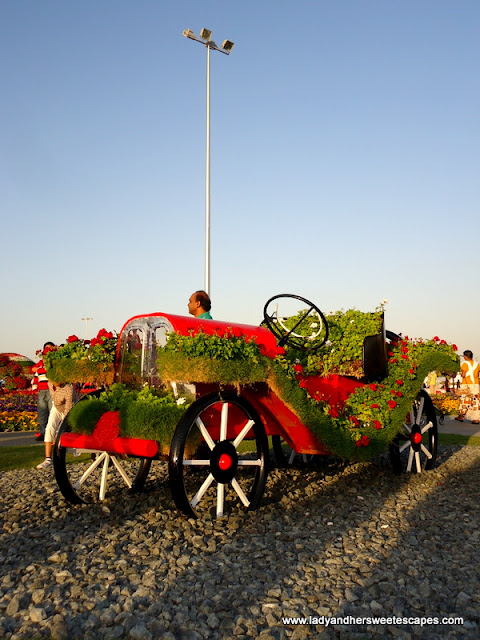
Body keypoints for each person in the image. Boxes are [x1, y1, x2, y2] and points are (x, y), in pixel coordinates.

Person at [36, 380, 78, 469]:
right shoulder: (50, 384)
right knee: (49, 428)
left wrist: (59, 431)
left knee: (66, 431)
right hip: (57, 407)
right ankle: (47, 459)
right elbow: (54, 398)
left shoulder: (69, 388)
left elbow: (68, 408)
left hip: (69, 409)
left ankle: (75, 448)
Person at [31, 342, 56, 442]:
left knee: (52, 411)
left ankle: (52, 433)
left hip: (51, 390)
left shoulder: (54, 362)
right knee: (42, 411)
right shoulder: (41, 365)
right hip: (42, 390)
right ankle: (43, 432)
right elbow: (34, 372)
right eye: (46, 349)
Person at [455, 350, 480, 424]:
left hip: (466, 384)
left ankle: (461, 416)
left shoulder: (465, 363)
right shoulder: (477, 364)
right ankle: (476, 419)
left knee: (464, 400)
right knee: (475, 401)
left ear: (465, 356)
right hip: (475, 384)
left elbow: (463, 375)